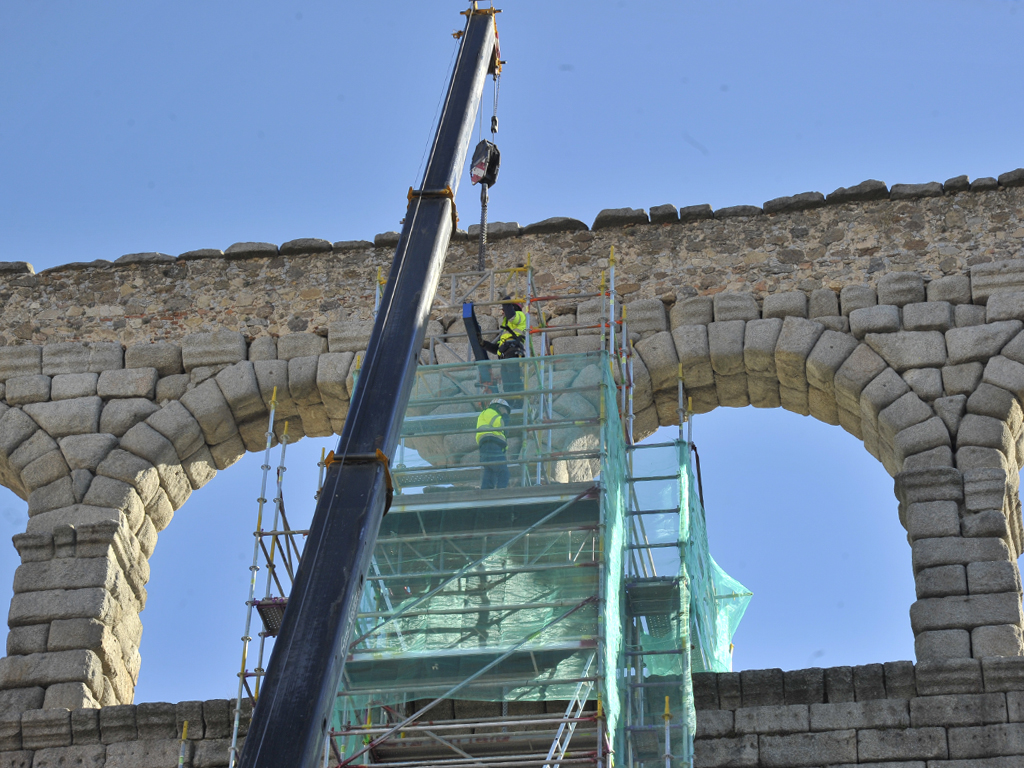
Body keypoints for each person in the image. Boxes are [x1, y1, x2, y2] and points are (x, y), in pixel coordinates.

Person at [477, 398, 511, 489]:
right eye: (505, 410)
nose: (506, 413)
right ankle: (501, 496)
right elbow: (500, 425)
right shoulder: (490, 411)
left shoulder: (488, 414)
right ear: (498, 407)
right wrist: (504, 414)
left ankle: (485, 498)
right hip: (491, 445)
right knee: (503, 472)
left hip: (488, 446)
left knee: (490, 477)